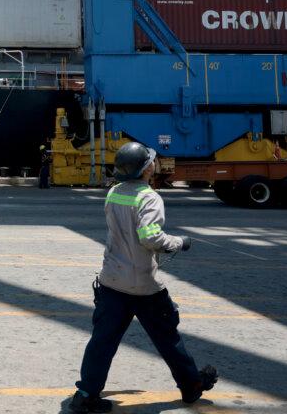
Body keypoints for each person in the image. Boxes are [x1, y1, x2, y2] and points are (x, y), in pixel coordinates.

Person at [70, 142, 217, 413]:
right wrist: (179, 242)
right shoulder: (149, 198)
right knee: (167, 338)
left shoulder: (114, 192)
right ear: (146, 168)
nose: (155, 162)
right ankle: (191, 385)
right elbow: (150, 237)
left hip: (112, 281)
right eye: (152, 160)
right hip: (144, 287)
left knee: (102, 342)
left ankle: (87, 394)